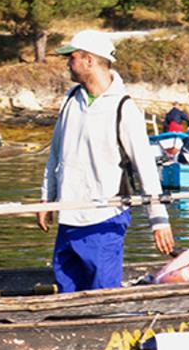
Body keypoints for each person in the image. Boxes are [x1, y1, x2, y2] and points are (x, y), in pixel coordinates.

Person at [37, 30, 176, 293]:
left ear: (89, 60)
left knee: (103, 293)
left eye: (72, 57)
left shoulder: (123, 108)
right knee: (67, 291)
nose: (68, 63)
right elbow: (55, 155)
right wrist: (47, 199)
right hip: (68, 215)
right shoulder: (70, 100)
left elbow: (145, 167)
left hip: (103, 218)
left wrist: (158, 220)